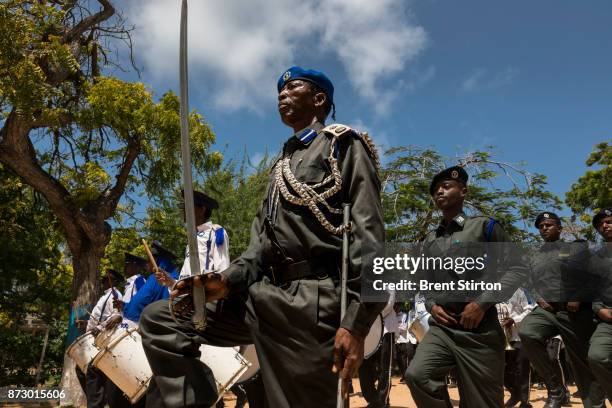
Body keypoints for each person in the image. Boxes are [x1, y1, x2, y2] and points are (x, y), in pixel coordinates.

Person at [139, 66, 385, 408]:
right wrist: (225, 280)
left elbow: (370, 235)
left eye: (292, 87)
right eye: (279, 91)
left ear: (318, 99)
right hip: (263, 296)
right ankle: (197, 399)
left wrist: (358, 322)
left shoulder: (344, 146)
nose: (282, 95)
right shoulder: (281, 165)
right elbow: (259, 249)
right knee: (164, 317)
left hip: (314, 302)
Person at [404, 165, 528, 408]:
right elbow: (425, 283)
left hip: (480, 329)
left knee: (481, 403)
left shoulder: (485, 227)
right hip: (443, 328)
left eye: (446, 186)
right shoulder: (429, 240)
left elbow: (518, 268)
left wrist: (482, 304)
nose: (439, 192)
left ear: (463, 192)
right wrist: (431, 306)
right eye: (436, 189)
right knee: (418, 375)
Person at [518, 211, 605, 408]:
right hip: (547, 310)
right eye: (541, 226)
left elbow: (594, 277)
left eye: (548, 225)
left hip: (574, 312)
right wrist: (539, 299)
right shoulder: (535, 255)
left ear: (559, 227)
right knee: (527, 332)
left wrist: (578, 297)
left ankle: (595, 405)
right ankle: (556, 390)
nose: (544, 228)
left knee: (581, 363)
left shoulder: (576, 249)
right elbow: (529, 283)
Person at [85, 270, 123, 408]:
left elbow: (115, 316)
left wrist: (99, 328)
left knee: (94, 371)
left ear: (114, 281)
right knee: (94, 373)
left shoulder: (116, 295)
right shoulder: (105, 296)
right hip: (98, 339)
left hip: (107, 339)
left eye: (107, 280)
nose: (104, 282)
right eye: (104, 280)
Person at [122, 241, 180, 326]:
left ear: (155, 261)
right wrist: (124, 305)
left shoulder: (159, 278)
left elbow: (140, 304)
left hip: (144, 327)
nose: (146, 263)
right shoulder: (157, 278)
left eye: (149, 260)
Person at [588, 208, 612, 402]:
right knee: (597, 356)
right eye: (600, 224)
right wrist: (599, 308)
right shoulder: (596, 259)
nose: (605, 225)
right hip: (607, 319)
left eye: (609, 221)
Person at [178, 190, 229, 278]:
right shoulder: (192, 239)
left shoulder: (215, 232)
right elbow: (185, 276)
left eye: (187, 206)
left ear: (202, 210)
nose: (183, 210)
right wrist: (170, 282)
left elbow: (222, 270)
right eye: (183, 206)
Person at [497, 288, 534, 408]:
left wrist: (514, 320)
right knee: (502, 371)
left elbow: (530, 309)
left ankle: (525, 402)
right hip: (502, 339)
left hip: (519, 336)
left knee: (522, 370)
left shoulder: (520, 291)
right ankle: (515, 394)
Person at [359, 293, 397, 408]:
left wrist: (369, 313)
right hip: (366, 328)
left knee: (384, 366)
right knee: (363, 365)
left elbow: (389, 303)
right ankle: (372, 398)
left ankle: (382, 401)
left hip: (386, 327)